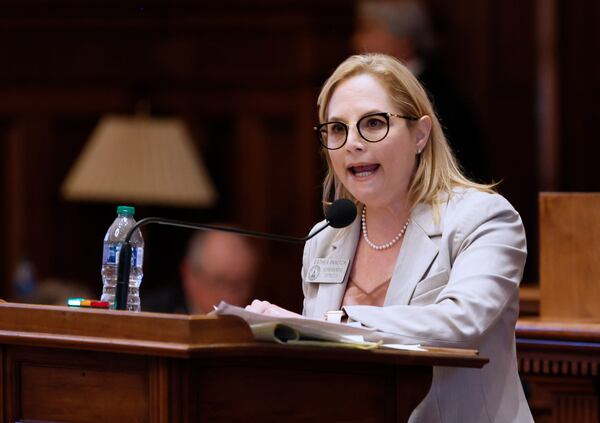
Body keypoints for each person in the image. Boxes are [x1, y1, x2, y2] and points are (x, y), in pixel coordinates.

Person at [246, 54, 532, 422]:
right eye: (336, 129)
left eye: (374, 124)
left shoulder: (483, 219)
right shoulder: (325, 238)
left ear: (420, 134)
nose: (352, 143)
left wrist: (333, 327)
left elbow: (461, 324)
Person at [353, 0, 491, 183]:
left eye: (369, 30)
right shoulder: (361, 89)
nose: (357, 40)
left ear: (404, 40)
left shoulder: (439, 97)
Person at [144, 230, 257, 314]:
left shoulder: (255, 323)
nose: (228, 297)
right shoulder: (151, 314)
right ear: (188, 275)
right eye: (219, 282)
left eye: (238, 286)